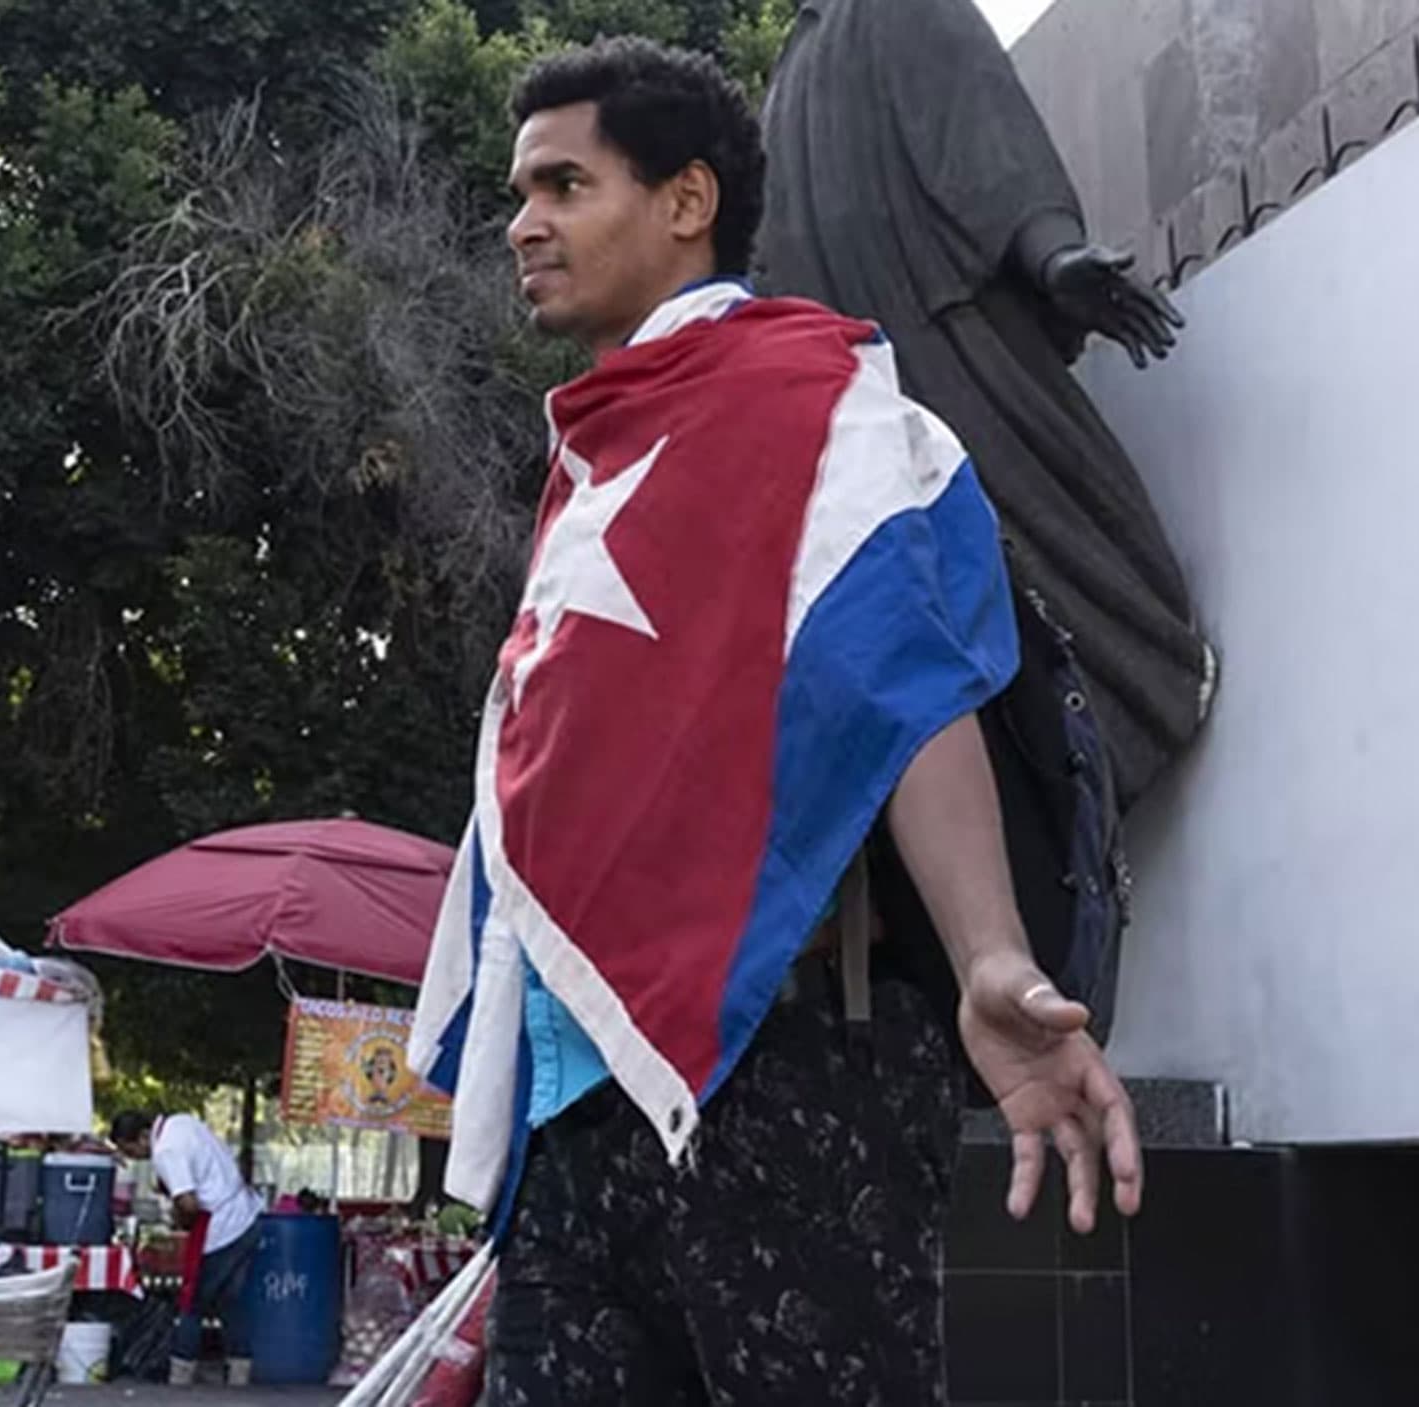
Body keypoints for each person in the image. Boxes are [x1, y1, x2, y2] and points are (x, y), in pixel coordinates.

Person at [409, 37, 1142, 1406]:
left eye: (565, 184)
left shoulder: (811, 402)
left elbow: (902, 669)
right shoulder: (602, 454)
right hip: (585, 1107)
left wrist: (992, 953)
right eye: (521, 190)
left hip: (794, 1073)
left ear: (686, 201)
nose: (523, 222)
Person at [757, 0, 1214, 813]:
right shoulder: (792, 71)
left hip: (948, 347)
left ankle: (1127, 697)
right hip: (856, 406)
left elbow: (980, 134)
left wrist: (1052, 255)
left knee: (1043, 549)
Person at [110, 1111, 266, 1387]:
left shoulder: (166, 1152)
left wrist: (178, 1221)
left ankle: (180, 1375)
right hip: (247, 1216)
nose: (134, 1157)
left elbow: (189, 1203)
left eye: (130, 1149)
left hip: (221, 1228)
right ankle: (240, 1373)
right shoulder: (181, 1122)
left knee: (192, 1304)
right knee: (230, 1303)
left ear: (145, 1136)